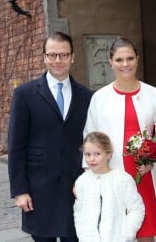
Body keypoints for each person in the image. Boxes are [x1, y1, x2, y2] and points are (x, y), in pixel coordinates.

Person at [83, 37, 156, 242]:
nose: (125, 64)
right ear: (111, 61)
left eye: (130, 58)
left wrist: (153, 159)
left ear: (137, 59)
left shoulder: (153, 94)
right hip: (111, 174)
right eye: (120, 59)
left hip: (144, 173)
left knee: (145, 231)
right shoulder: (100, 98)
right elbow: (90, 137)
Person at [8, 31, 93, 242]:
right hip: (39, 188)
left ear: (72, 57)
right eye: (52, 55)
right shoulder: (25, 94)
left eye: (63, 55)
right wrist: (20, 191)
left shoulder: (87, 96)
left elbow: (92, 140)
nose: (58, 60)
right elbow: (16, 145)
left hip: (75, 187)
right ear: (44, 56)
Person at [73, 131, 145, 242]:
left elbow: (137, 209)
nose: (92, 159)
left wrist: (126, 234)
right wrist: (82, 234)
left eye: (97, 154)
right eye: (88, 154)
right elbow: (79, 211)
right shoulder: (82, 181)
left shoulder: (122, 179)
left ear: (108, 154)